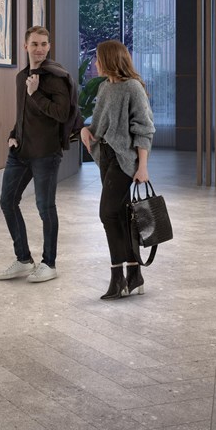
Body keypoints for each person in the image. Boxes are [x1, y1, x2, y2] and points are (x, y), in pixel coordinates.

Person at [0, 26, 74, 283]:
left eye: (43, 44)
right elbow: (23, 114)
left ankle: (49, 264)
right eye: (34, 44)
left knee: (45, 207)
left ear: (49, 46)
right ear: (25, 46)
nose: (39, 49)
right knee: (7, 201)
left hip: (46, 154)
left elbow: (61, 114)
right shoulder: (21, 77)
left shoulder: (57, 77)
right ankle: (23, 260)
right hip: (20, 151)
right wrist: (12, 132)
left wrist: (36, 93)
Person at [80, 40, 156, 301]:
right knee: (121, 217)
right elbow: (98, 124)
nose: (95, 64)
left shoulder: (132, 88)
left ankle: (117, 278)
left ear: (110, 60)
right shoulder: (105, 87)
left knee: (107, 213)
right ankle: (134, 275)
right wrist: (84, 130)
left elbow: (144, 129)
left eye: (99, 59)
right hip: (106, 158)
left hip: (126, 161)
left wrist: (142, 166)